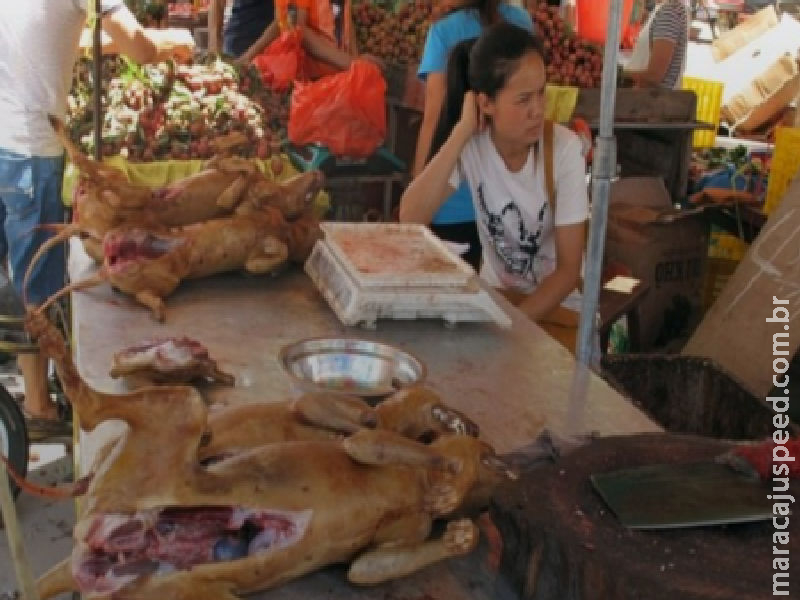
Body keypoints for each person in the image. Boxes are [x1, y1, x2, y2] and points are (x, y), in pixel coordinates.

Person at [0, 1, 193, 428]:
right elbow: (139, 48)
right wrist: (174, 42)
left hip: (5, 136)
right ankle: (37, 406)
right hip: (28, 147)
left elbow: (59, 38)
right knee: (35, 279)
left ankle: (29, 389)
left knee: (12, 270)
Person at [400, 22, 588, 351]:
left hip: (555, 314)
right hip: (497, 304)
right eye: (523, 99)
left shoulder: (564, 150)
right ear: (486, 104)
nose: (538, 109)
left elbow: (569, 270)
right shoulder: (473, 146)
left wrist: (511, 327)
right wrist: (461, 132)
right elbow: (410, 216)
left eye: (542, 93)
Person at [414, 0, 533, 270]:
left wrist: (419, 182)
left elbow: (433, 118)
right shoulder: (521, 23)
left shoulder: (443, 32)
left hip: (451, 204)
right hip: (507, 205)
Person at [236, 0, 373, 75]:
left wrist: (357, 62)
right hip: (310, 82)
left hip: (338, 78)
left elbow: (344, 18)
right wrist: (350, 62)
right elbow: (297, 30)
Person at [623, 0, 689, 89]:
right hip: (645, 97)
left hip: (653, 100)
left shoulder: (669, 12)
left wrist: (619, 75)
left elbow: (653, 77)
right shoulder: (663, 9)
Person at [209, 0, 275, 59]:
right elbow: (217, 2)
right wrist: (214, 46)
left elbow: (280, 18)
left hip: (272, 48)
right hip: (235, 42)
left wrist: (246, 59)